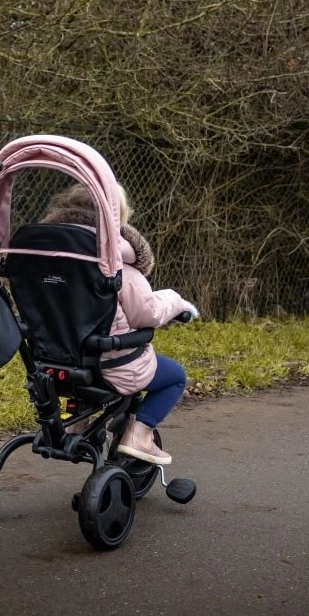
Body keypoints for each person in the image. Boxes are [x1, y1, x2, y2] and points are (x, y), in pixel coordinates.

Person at [41, 182, 198, 466]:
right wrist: (178, 302)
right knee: (174, 376)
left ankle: (76, 424)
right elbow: (146, 314)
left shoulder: (45, 261)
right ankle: (139, 435)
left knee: (81, 355)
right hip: (112, 366)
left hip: (53, 363)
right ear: (116, 217)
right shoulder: (114, 263)